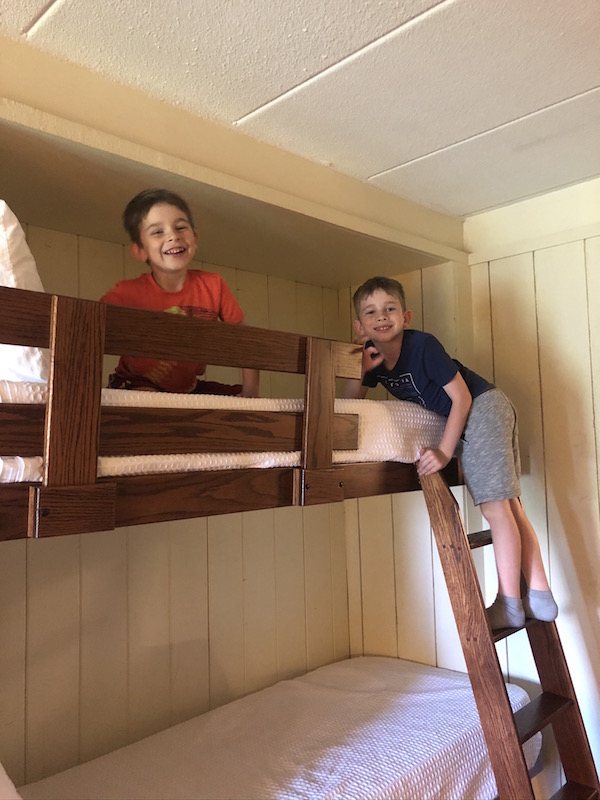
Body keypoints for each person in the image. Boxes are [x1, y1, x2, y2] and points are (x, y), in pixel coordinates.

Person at [345, 276, 557, 631]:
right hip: (484, 412)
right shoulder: (373, 359)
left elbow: (462, 397)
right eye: (371, 312)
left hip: (483, 408)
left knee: (495, 507)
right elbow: (351, 406)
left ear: (406, 316)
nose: (381, 317)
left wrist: (444, 452)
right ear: (359, 325)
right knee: (510, 507)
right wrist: (361, 371)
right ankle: (539, 595)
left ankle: (509, 603)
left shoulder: (422, 346)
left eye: (389, 308)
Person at [101, 188, 259, 397]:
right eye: (158, 232)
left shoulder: (213, 285)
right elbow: (87, 323)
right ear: (140, 250)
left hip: (188, 386)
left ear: (194, 238)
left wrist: (250, 392)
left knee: (239, 403)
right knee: (150, 401)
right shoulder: (128, 293)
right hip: (135, 382)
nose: (173, 236)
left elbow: (245, 338)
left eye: (180, 227)